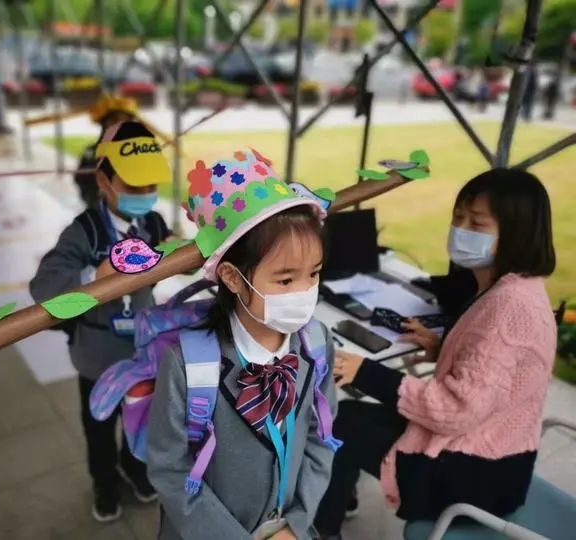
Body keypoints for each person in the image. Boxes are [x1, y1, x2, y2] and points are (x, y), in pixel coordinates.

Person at [315, 168, 557, 539]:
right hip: (498, 458)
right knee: (348, 419)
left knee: (339, 423)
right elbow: (494, 375)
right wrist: (444, 348)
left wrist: (367, 372)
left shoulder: (509, 309)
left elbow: (456, 410)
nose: (460, 229)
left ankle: (322, 528)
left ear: (517, 233)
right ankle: (335, 504)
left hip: (476, 474)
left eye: (476, 222)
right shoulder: (513, 290)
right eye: (458, 217)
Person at [147, 149, 339, 540]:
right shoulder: (187, 364)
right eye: (285, 280)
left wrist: (297, 525)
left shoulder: (316, 343)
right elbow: (170, 469)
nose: (305, 292)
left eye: (314, 274)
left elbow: (322, 437)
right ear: (233, 278)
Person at [29, 120, 172, 522]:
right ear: (104, 182)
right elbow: (44, 288)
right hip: (96, 358)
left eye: (150, 187)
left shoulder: (152, 224)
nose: (145, 196)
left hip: (141, 354)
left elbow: (171, 250)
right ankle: (104, 483)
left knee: (140, 418)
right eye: (133, 186)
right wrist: (95, 276)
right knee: (99, 425)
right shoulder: (83, 233)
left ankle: (134, 467)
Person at [74, 95, 140, 205]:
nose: (119, 124)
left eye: (124, 120)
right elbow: (80, 179)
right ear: (104, 124)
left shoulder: (138, 151)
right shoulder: (91, 152)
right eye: (114, 120)